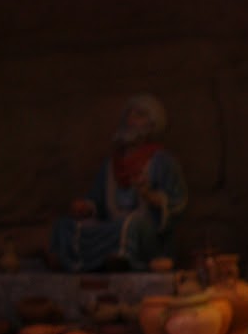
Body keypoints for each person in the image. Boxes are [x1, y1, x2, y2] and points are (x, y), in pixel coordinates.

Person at [49, 93, 187, 272]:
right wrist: (86, 206)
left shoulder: (163, 162)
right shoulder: (111, 164)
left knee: (131, 225)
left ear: (151, 126)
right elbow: (97, 201)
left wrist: (149, 195)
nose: (130, 119)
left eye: (139, 115)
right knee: (65, 225)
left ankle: (122, 258)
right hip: (112, 226)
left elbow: (178, 202)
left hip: (143, 231)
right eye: (129, 113)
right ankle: (75, 258)